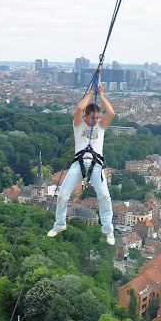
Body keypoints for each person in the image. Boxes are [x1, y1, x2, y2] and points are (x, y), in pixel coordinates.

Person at [48, 85, 115, 245]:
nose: (96, 120)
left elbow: (111, 113)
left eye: (98, 117)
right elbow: (79, 108)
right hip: (78, 163)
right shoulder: (78, 125)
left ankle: (108, 230)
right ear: (87, 115)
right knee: (63, 194)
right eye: (93, 117)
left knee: (105, 196)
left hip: (96, 165)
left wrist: (102, 95)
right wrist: (92, 93)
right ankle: (59, 224)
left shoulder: (101, 126)